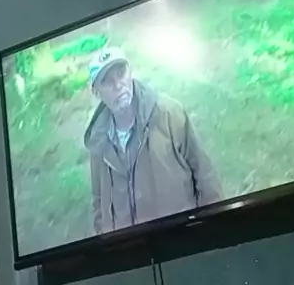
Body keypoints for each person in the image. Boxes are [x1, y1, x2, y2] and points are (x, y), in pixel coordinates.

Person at [83, 46, 223, 234]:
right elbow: (99, 202)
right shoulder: (98, 141)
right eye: (107, 81)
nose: (118, 85)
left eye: (121, 74)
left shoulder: (169, 114)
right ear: (96, 92)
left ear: (131, 72)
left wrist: (215, 228)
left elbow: (205, 175)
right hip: (131, 248)